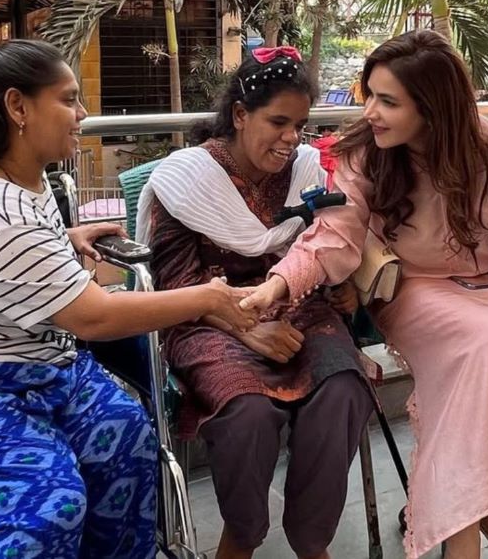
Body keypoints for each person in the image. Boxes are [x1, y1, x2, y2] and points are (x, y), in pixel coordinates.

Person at [0, 40, 256, 559]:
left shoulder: (20, 181)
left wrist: (65, 239)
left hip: (35, 368)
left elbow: (29, 257)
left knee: (126, 435)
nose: (82, 114)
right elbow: (92, 317)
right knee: (48, 508)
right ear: (17, 107)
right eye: (69, 99)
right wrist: (206, 297)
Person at [241, 30, 488, 559]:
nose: (372, 112)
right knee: (480, 349)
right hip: (412, 289)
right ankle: (486, 546)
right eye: (370, 95)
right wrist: (278, 284)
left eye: (389, 101)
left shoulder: (481, 143)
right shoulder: (361, 155)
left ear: (433, 107)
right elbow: (333, 236)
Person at [137, 46, 371, 559]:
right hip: (203, 319)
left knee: (344, 391)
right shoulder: (188, 179)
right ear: (240, 116)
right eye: (278, 122)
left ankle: (312, 541)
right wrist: (246, 329)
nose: (292, 139)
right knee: (247, 413)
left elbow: (321, 253)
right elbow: (174, 283)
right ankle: (241, 537)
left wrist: (343, 284)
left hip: (300, 309)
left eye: (301, 126)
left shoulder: (310, 170)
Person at [311, 124, 340, 189]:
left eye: (322, 132)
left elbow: (311, 148)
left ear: (326, 130)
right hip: (335, 169)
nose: (321, 134)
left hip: (323, 170)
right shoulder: (337, 140)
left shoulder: (321, 142)